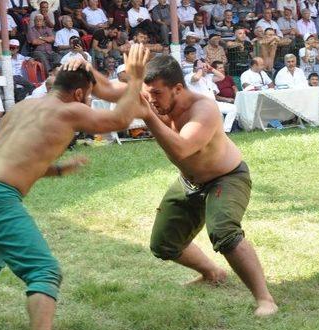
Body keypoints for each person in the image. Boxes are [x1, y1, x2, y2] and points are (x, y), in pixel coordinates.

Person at [0, 44, 150, 330]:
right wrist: (136, 79)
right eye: (87, 95)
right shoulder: (69, 110)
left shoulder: (22, 107)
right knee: (44, 271)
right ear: (77, 93)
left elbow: (13, 155)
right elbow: (120, 118)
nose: (88, 101)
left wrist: (57, 170)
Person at [108, 54, 277, 316]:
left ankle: (265, 300)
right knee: (164, 245)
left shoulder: (204, 109)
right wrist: (83, 70)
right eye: (147, 94)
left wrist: (149, 117)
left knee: (224, 233)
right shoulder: (157, 102)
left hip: (227, 177)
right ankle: (212, 273)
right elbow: (107, 89)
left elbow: (182, 150)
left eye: (156, 93)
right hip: (190, 182)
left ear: (177, 88)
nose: (151, 100)